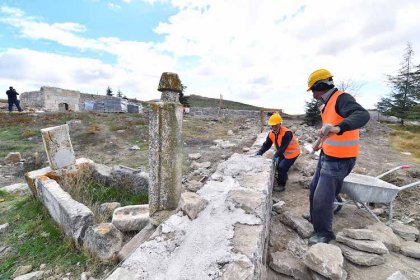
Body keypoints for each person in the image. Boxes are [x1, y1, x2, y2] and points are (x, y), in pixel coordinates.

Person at [306, 69, 370, 245]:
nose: (313, 94)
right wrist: (320, 142)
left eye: (313, 90)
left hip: (340, 159)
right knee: (314, 189)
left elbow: (362, 115)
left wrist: (339, 128)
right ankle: (317, 217)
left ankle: (324, 233)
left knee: (323, 196)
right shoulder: (326, 104)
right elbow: (328, 128)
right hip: (327, 154)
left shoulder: (342, 98)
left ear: (321, 86)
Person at [256, 112, 301, 192]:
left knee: (282, 167)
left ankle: (281, 185)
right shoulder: (271, 134)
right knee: (279, 167)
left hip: (293, 153)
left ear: (280, 124)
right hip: (283, 153)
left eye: (275, 125)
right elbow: (267, 145)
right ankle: (284, 177)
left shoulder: (287, 133)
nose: (273, 127)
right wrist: (260, 152)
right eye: (272, 125)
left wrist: (276, 155)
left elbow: (283, 147)